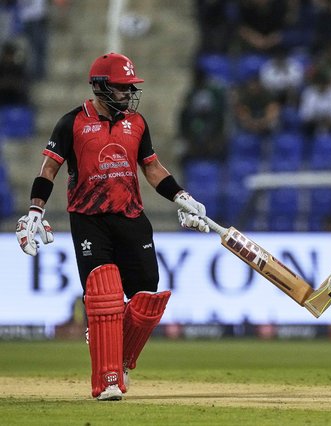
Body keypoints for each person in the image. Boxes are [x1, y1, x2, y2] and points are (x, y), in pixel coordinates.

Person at [14, 52, 211, 401]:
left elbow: (152, 168)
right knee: (104, 296)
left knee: (147, 297)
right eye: (121, 88)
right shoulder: (72, 122)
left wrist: (182, 196)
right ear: (100, 86)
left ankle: (115, 352)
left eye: (129, 87)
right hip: (89, 219)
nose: (128, 93)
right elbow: (48, 170)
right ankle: (107, 380)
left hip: (131, 217)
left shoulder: (137, 123)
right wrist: (34, 211)